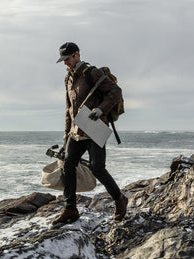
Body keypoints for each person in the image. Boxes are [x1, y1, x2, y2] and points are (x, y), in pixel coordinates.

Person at [52, 42, 128, 225]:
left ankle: (119, 199)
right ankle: (70, 208)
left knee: (97, 168)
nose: (65, 63)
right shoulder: (68, 79)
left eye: (67, 59)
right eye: (63, 60)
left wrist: (101, 110)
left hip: (94, 128)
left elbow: (115, 92)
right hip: (75, 131)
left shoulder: (92, 72)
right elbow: (69, 109)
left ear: (76, 55)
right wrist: (66, 133)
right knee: (67, 166)